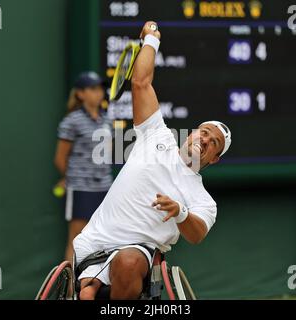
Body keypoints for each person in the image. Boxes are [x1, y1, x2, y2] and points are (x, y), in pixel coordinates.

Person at [74, 21, 232, 300]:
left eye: (213, 143)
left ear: (215, 159)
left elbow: (196, 234)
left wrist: (180, 212)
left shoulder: (203, 200)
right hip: (94, 244)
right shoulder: (156, 134)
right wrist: (151, 39)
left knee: (128, 261)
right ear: (193, 132)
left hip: (137, 253)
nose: (205, 140)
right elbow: (140, 82)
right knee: (86, 296)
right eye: (204, 132)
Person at [54, 71, 113, 261]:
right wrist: (70, 178)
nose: (99, 93)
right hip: (81, 189)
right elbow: (60, 158)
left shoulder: (107, 120)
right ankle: (70, 289)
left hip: (106, 188)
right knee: (76, 240)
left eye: (100, 89)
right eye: (93, 89)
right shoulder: (72, 122)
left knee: (106, 240)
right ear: (80, 94)